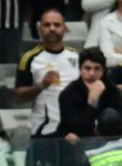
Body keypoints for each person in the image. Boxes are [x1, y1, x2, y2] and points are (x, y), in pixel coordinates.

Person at [15, 9, 81, 139]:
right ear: (40, 29)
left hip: (74, 130)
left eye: (57, 25)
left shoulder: (75, 55)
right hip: (43, 129)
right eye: (47, 25)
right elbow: (18, 96)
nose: (52, 28)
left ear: (65, 28)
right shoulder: (29, 58)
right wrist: (41, 86)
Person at [58, 47, 122, 154]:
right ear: (80, 69)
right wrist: (92, 101)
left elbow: (121, 124)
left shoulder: (112, 90)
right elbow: (80, 131)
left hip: (110, 147)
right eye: (87, 68)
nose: (91, 74)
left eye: (97, 69)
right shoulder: (68, 94)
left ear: (103, 70)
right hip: (79, 150)